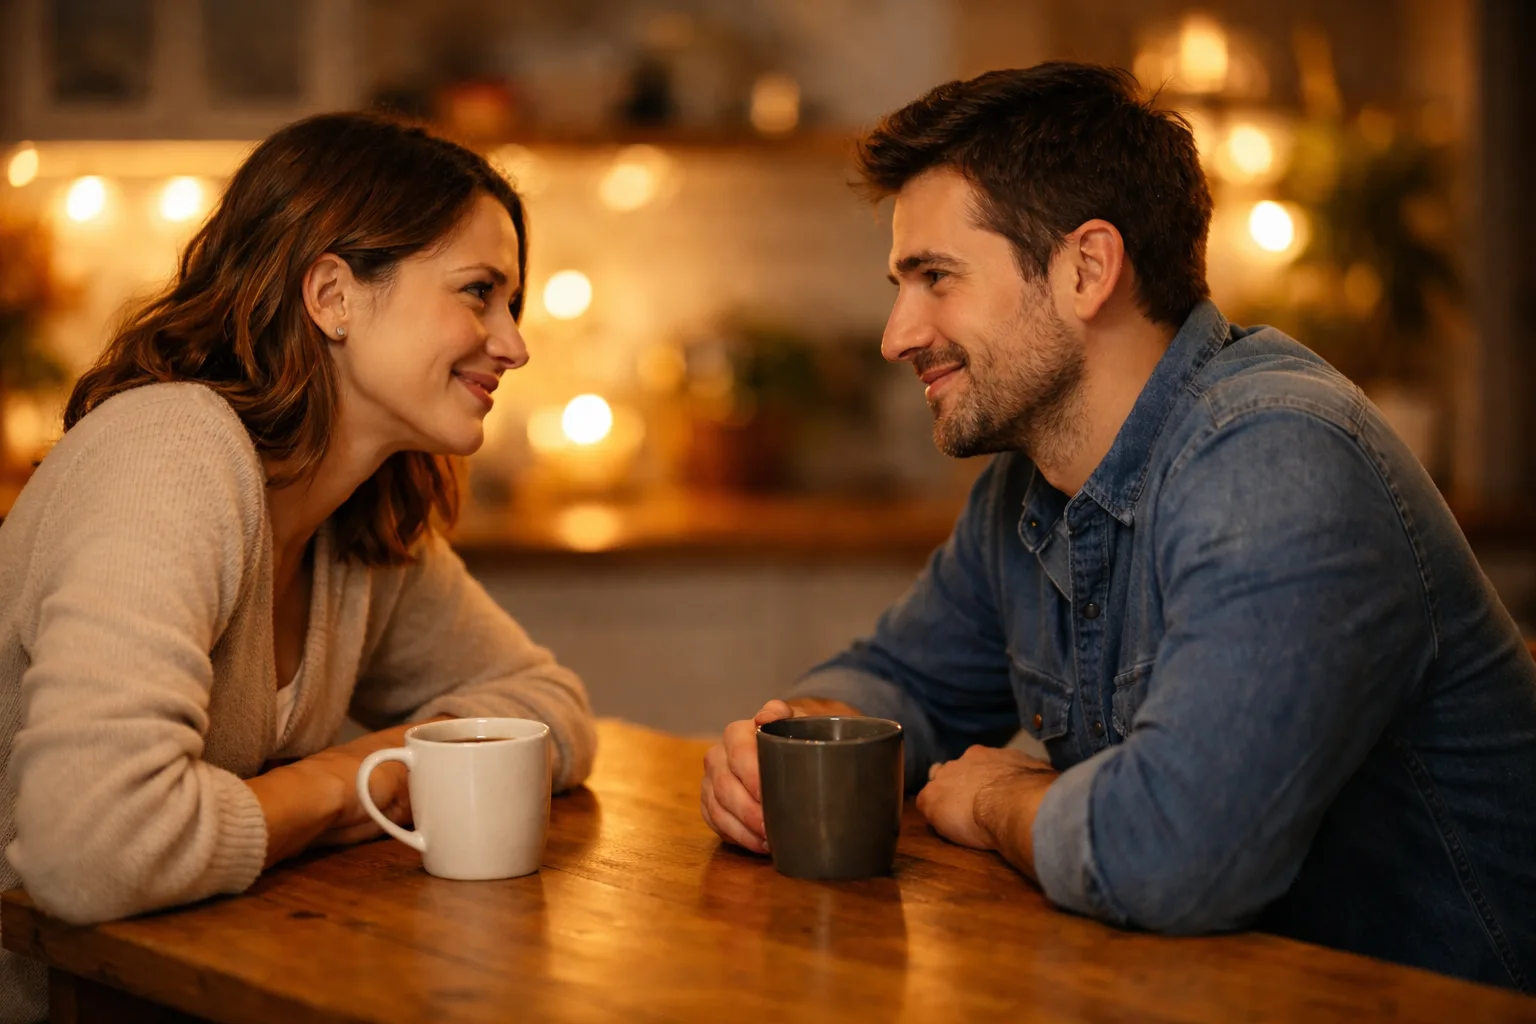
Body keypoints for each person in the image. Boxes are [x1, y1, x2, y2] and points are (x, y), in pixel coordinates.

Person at [701, 63, 1536, 991]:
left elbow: (1175, 855)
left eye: (936, 277)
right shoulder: (1027, 489)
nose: (898, 335)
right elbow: (905, 682)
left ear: (1087, 269)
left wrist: (1001, 799)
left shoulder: (1278, 461)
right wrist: (798, 736)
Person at [0, 112, 597, 1021]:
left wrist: (375, 768)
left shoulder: (361, 515)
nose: (513, 343)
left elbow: (550, 707)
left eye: (511, 305)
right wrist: (340, 785)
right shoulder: (168, 453)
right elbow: (92, 846)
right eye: (479, 293)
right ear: (333, 296)